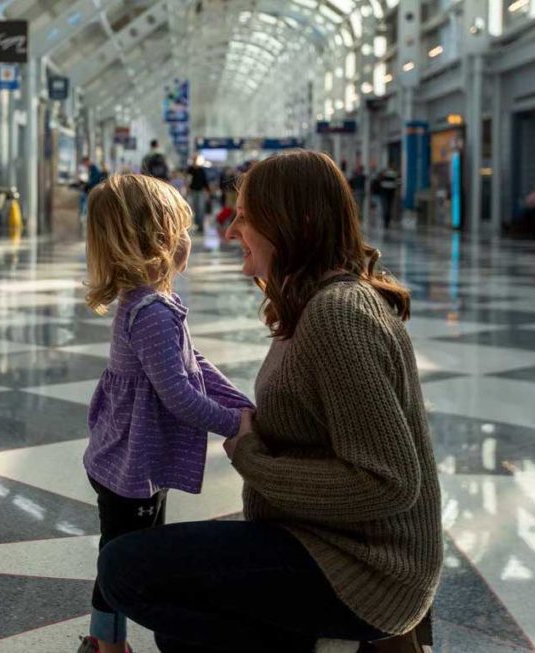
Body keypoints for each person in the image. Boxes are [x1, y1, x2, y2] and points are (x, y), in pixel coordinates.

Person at [96, 151, 442, 653]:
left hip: (365, 571)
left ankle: (334, 645)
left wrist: (249, 454)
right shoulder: (312, 303)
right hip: (325, 541)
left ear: (293, 222)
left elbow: (387, 483)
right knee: (178, 623)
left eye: (244, 216)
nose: (231, 230)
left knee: (126, 569)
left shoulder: (338, 314)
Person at [79, 174, 255, 653]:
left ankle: (107, 637)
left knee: (132, 550)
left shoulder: (155, 302)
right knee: (121, 557)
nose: (190, 241)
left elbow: (194, 362)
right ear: (158, 241)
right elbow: (178, 393)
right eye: (182, 231)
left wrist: (240, 404)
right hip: (130, 464)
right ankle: (105, 643)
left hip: (132, 458)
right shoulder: (152, 311)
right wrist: (232, 424)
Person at [186, 155, 211, 232]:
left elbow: (205, 181)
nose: (195, 161)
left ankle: (200, 225)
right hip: (192, 191)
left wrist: (208, 190)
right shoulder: (190, 169)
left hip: (200, 191)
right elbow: (187, 180)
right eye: (194, 159)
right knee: (193, 208)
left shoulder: (201, 170)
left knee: (200, 208)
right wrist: (187, 189)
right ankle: (195, 224)